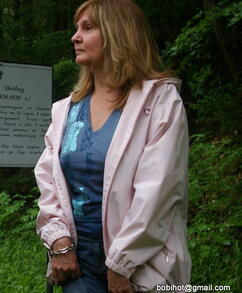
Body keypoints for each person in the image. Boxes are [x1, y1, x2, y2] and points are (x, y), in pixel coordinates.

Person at [35, 0, 191, 292]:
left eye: (88, 28)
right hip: (76, 260)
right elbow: (48, 180)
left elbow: (158, 191)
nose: (75, 37)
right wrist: (58, 240)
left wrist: (121, 263)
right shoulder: (67, 109)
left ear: (118, 34)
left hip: (143, 262)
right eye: (76, 28)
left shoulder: (159, 101)